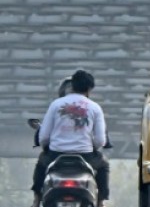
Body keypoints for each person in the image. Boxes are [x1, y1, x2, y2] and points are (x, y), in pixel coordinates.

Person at [31, 69, 109, 207]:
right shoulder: (95, 108)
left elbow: (44, 136)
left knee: (41, 164)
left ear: (72, 85)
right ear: (90, 88)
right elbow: (100, 141)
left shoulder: (56, 104)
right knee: (103, 165)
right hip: (86, 156)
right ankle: (101, 201)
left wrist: (47, 147)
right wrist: (92, 147)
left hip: (56, 155)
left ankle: (37, 199)